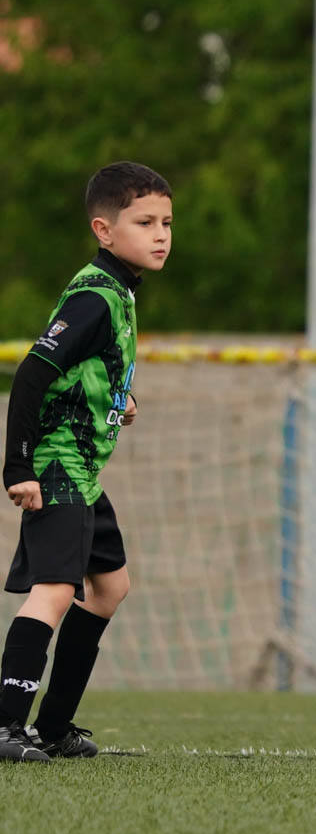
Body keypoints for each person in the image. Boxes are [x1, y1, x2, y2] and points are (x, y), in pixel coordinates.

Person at [1, 161, 171, 763]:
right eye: (144, 221)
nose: (160, 234)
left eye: (167, 222)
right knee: (53, 589)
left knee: (110, 588)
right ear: (104, 230)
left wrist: (116, 399)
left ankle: (52, 727)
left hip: (82, 471)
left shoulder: (119, 291)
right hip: (55, 465)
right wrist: (16, 466)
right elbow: (33, 372)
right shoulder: (97, 296)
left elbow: (80, 372)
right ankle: (5, 726)